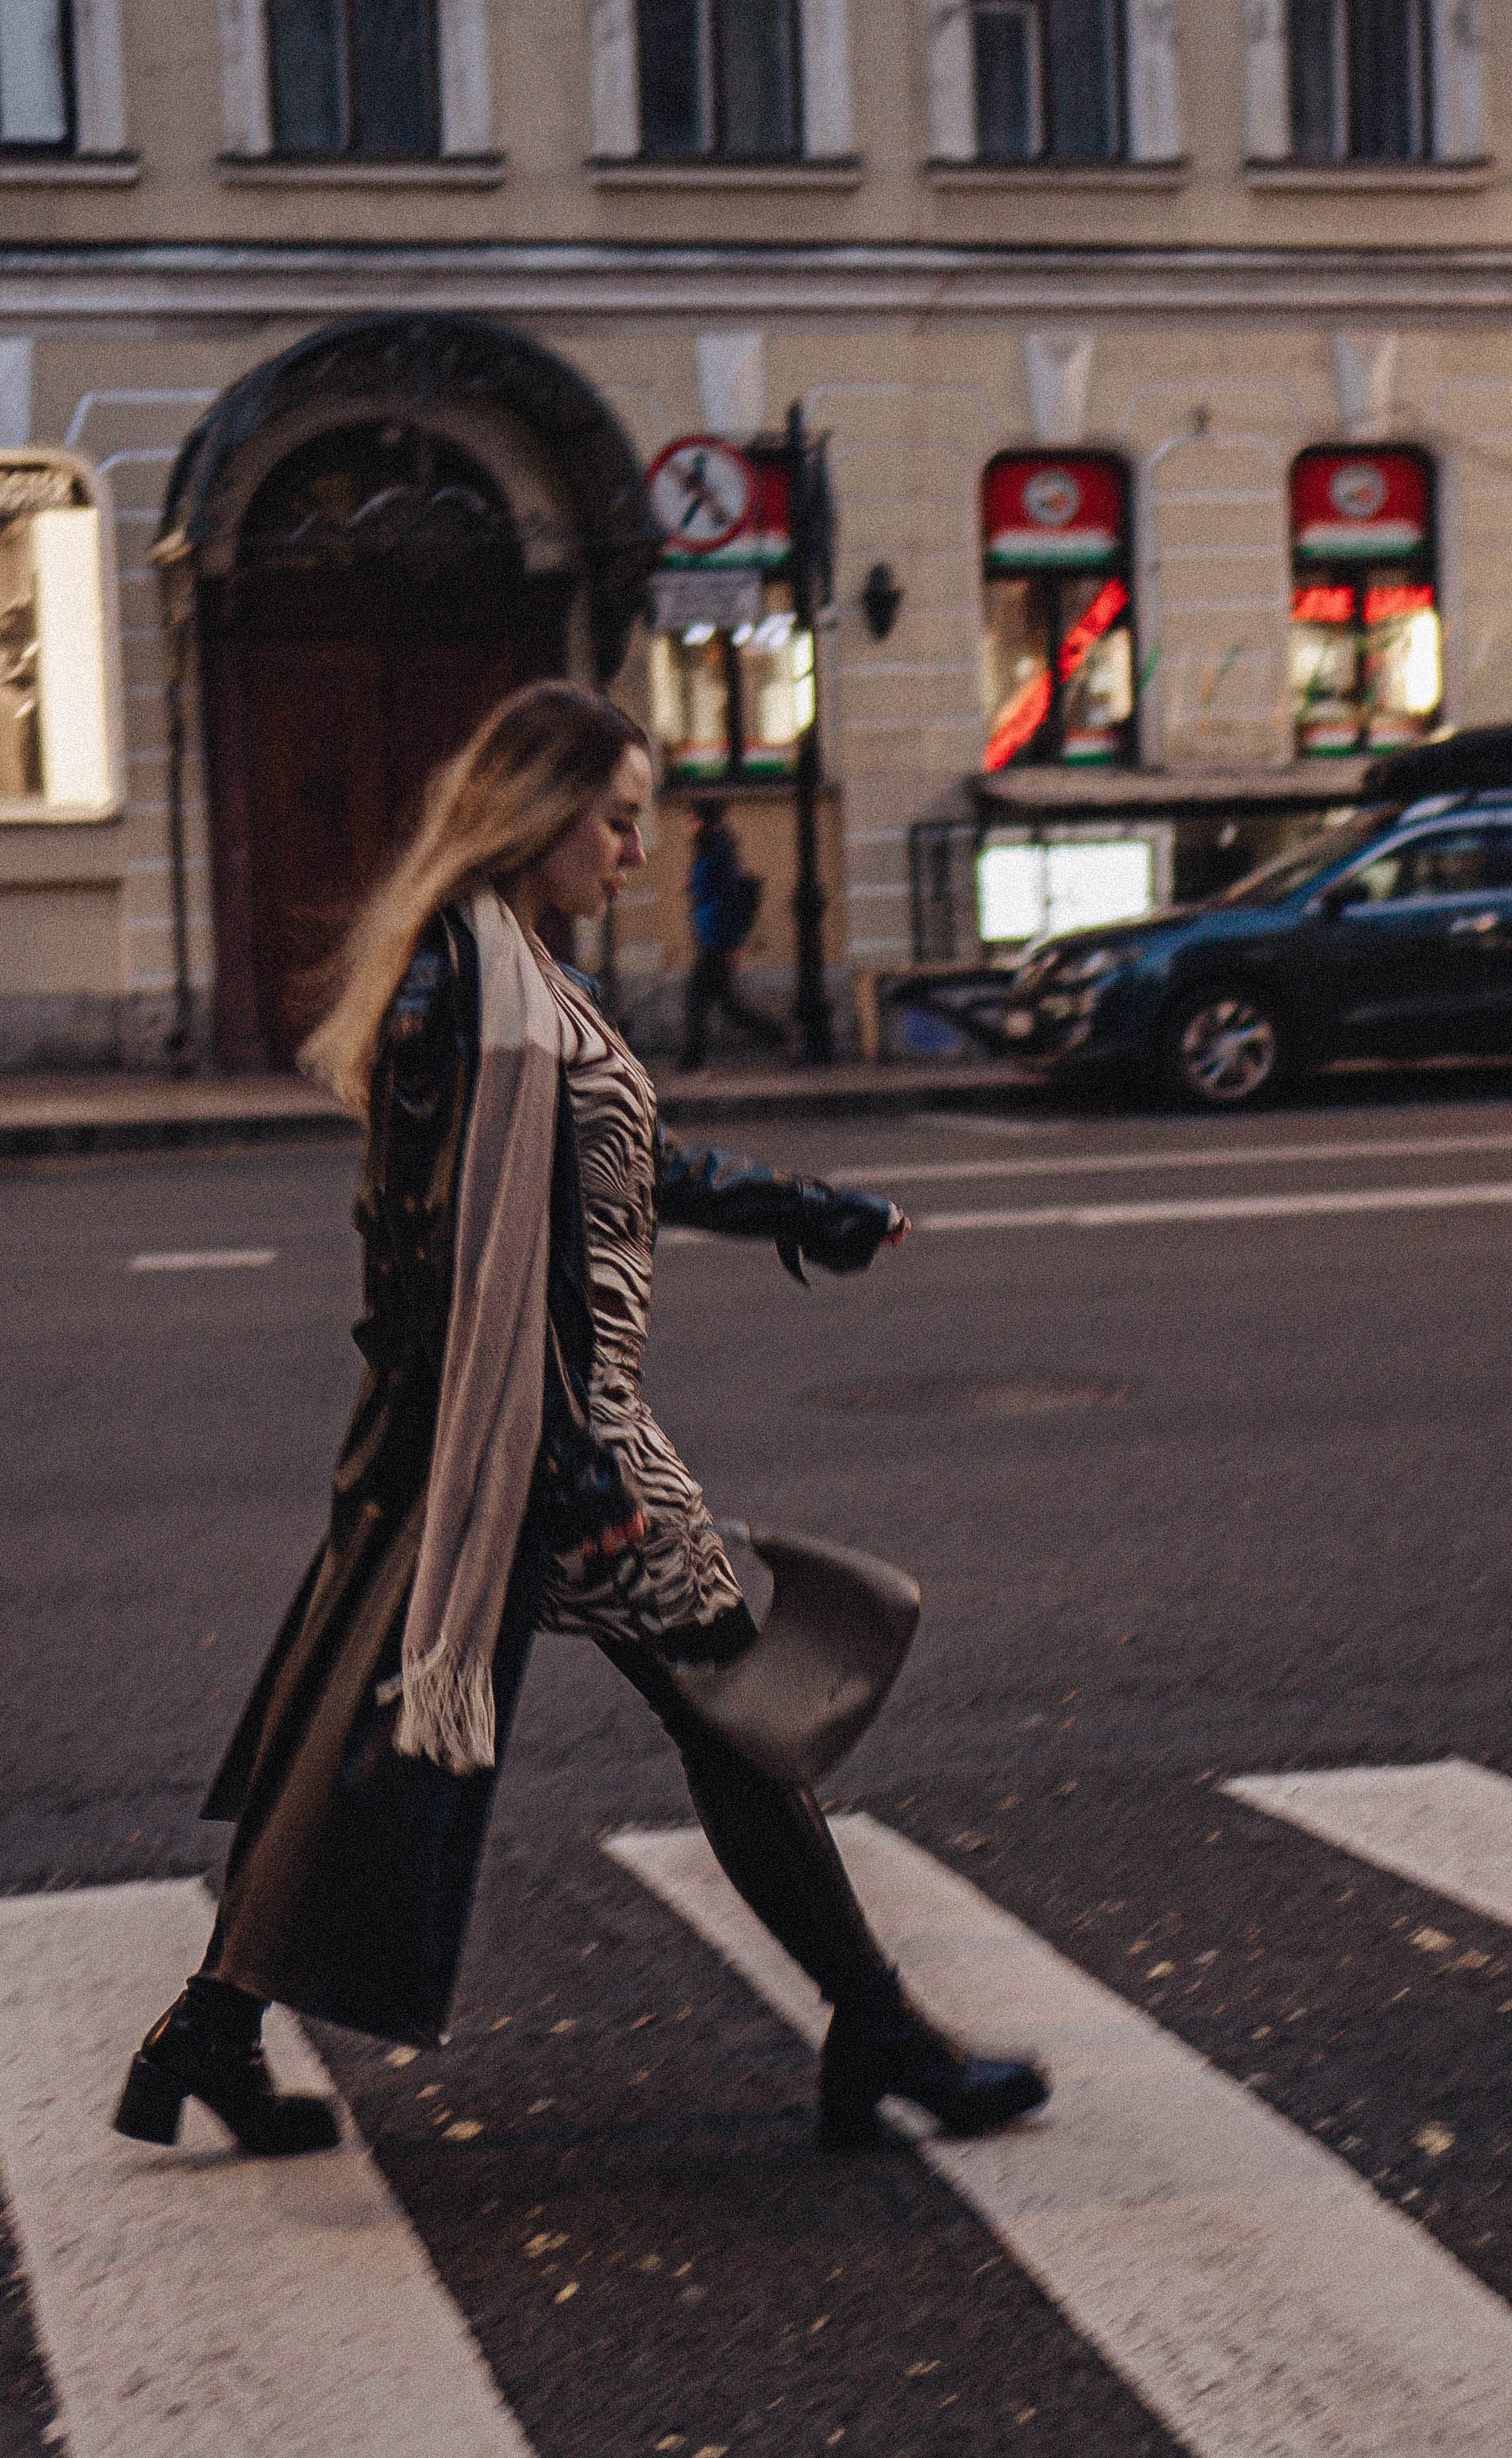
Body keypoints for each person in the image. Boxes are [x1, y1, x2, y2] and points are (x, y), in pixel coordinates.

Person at [113, 682, 1046, 2160]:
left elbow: (627, 1160)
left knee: (366, 1745)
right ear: (539, 813)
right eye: (617, 820)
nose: (638, 851)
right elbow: (441, 1262)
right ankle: (876, 2028)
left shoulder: (517, 970)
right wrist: (572, 1467)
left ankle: (206, 2035)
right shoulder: (458, 990)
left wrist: (805, 1210)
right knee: (733, 1715)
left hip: (524, 1430)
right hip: (540, 1433)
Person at [678, 796, 784, 1069]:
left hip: (719, 940)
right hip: (712, 937)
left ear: (705, 821)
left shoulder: (719, 852)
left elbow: (731, 897)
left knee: (697, 999)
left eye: (692, 820)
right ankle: (780, 1037)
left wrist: (735, 941)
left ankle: (692, 1060)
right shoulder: (707, 849)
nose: (688, 826)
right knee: (728, 1006)